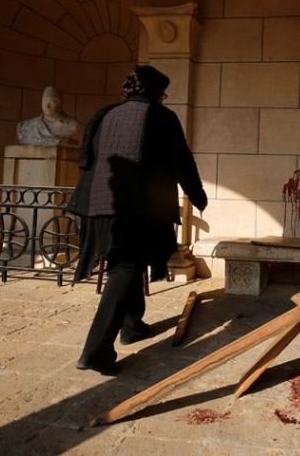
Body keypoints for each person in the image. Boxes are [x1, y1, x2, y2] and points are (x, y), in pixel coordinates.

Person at [67, 65, 207, 375]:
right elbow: (181, 161)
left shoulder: (103, 115)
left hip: (97, 206)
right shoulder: (163, 116)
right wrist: (198, 196)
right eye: (163, 93)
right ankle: (96, 350)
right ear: (156, 92)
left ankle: (131, 327)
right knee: (127, 267)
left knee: (124, 264)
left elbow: (86, 159)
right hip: (136, 207)